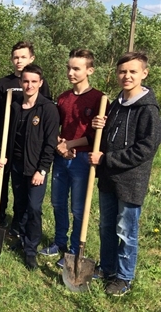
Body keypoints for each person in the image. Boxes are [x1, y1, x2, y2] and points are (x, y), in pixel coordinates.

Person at [89, 52, 161, 296]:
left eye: (132, 71)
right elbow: (112, 133)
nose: (126, 76)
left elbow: (145, 149)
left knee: (126, 231)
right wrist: (102, 125)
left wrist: (106, 159)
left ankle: (124, 277)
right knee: (107, 226)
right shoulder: (118, 102)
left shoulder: (148, 109)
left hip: (131, 180)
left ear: (144, 73)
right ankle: (107, 268)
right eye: (122, 71)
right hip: (109, 177)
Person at [38, 49, 106, 268]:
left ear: (90, 70)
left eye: (76, 68)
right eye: (69, 68)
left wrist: (72, 144)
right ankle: (59, 242)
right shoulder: (63, 98)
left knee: (78, 208)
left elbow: (98, 133)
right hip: (62, 157)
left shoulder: (99, 98)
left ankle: (75, 249)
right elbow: (56, 127)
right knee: (58, 202)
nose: (71, 72)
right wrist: (61, 144)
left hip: (83, 160)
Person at [0, 64, 59, 270]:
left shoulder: (48, 109)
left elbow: (50, 143)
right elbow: (9, 137)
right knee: (20, 206)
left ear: (40, 83)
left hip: (36, 169)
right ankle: (21, 240)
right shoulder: (14, 106)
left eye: (33, 81)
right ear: (21, 83)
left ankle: (31, 250)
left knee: (34, 208)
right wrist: (5, 158)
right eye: (25, 81)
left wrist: (42, 170)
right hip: (16, 166)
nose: (29, 85)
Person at [0, 41, 51, 231]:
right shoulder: (4, 83)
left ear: (31, 58)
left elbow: (46, 112)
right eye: (16, 57)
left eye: (23, 57)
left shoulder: (41, 83)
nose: (19, 60)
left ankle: (19, 224)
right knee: (2, 179)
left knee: (21, 188)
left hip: (27, 146)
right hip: (4, 142)